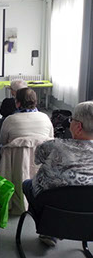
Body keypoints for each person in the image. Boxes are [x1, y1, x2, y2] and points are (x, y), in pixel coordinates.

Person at [22, 101, 93, 247]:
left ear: (78, 127)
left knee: (27, 184)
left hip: (52, 204)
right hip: (88, 211)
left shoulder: (54, 145)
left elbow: (37, 159)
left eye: (71, 119)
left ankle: (49, 230)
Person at [0, 79, 28, 166]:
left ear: (14, 92)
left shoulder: (8, 103)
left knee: (0, 123)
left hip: (11, 129)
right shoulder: (31, 103)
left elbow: (3, 139)